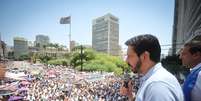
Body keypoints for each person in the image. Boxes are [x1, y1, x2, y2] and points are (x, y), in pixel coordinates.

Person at [120, 34, 184, 101]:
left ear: (144, 56)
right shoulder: (153, 79)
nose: (126, 61)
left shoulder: (157, 86)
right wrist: (130, 95)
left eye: (129, 56)